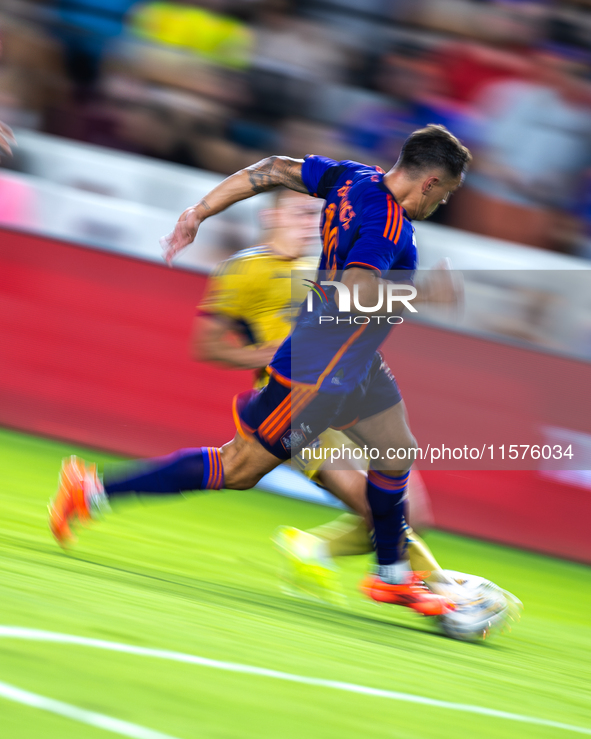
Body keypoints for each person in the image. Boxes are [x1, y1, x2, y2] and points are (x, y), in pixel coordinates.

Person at [49, 124, 471, 617]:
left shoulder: (352, 178)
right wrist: (428, 295)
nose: (441, 204)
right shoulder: (388, 226)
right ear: (430, 182)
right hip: (318, 369)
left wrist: (199, 211)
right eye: (446, 194)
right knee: (239, 468)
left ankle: (391, 577)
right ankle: (92, 490)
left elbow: (270, 169)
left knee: (397, 451)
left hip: (356, 362)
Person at [193, 187, 441, 602]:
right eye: (299, 212)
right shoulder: (244, 269)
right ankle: (438, 587)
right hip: (294, 407)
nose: (310, 221)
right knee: (374, 506)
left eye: (314, 213)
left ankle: (312, 548)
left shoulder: (323, 267)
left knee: (415, 512)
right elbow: (207, 346)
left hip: (345, 395)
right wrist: (267, 354)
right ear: (272, 216)